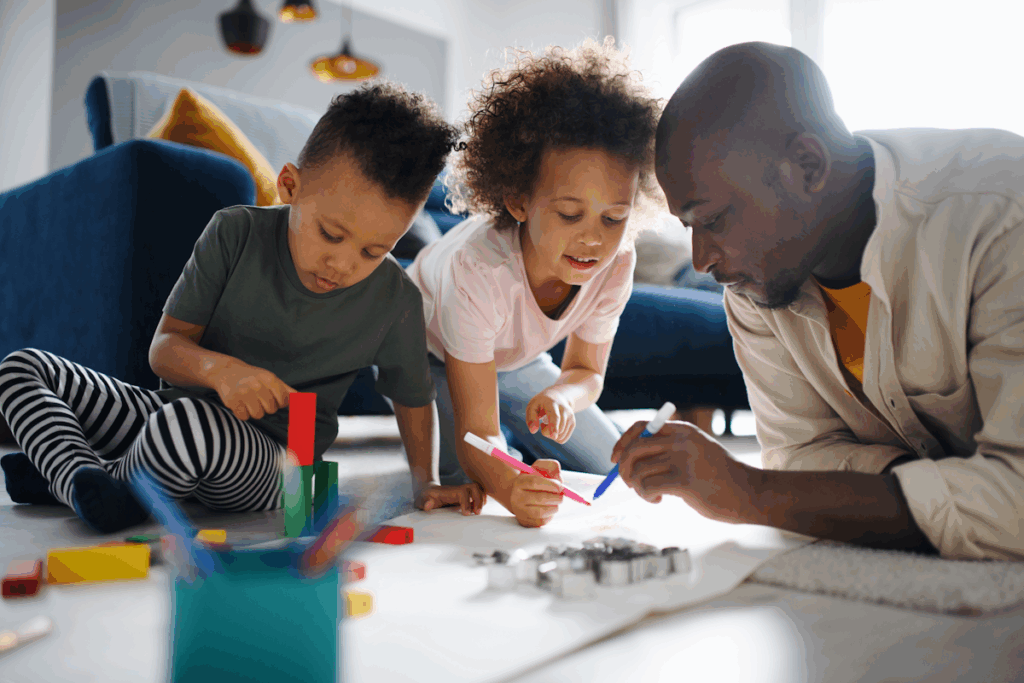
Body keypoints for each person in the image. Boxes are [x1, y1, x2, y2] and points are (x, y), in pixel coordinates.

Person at [0, 82, 484, 534]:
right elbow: (165, 350)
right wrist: (221, 372)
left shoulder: (394, 299)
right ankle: (77, 477)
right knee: (22, 368)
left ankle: (111, 489)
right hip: (172, 414)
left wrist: (425, 484)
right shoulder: (234, 232)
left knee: (182, 427)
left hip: (275, 459)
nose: (342, 263)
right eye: (331, 235)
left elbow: (414, 399)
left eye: (373, 251)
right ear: (289, 186)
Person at [613, 41, 1024, 560]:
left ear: (808, 166)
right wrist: (953, 489)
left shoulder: (1001, 215)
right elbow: (797, 462)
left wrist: (750, 493)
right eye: (688, 227)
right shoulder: (755, 281)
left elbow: (1018, 505)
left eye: (713, 219)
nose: (700, 261)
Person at [405, 38, 662, 528]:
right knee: (471, 488)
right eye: (570, 214)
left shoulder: (618, 262)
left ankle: (521, 442)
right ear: (519, 201)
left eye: (613, 218)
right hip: (431, 354)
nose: (592, 239)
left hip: (515, 359)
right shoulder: (477, 271)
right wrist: (508, 483)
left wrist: (563, 397)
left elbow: (586, 370)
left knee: (608, 470)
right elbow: (476, 433)